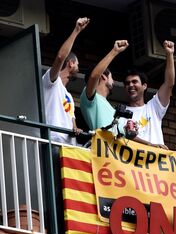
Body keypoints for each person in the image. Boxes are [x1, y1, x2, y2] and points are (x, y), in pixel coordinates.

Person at [42, 17, 89, 145]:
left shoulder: (68, 96)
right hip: (53, 141)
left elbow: (72, 120)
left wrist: (75, 128)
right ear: (71, 63)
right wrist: (76, 30)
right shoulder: (51, 81)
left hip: (69, 148)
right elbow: (60, 56)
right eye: (77, 65)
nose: (78, 69)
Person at [123, 40, 175, 149]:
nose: (130, 85)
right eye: (127, 83)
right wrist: (150, 145)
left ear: (144, 86)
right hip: (131, 164)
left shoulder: (153, 107)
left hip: (156, 164)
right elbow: (126, 138)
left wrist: (169, 54)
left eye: (134, 82)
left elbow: (169, 83)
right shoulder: (121, 114)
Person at [80, 40, 129, 131]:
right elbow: (94, 76)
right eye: (111, 77)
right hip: (101, 144)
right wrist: (114, 51)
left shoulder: (112, 110)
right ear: (103, 76)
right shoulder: (91, 98)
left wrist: (150, 143)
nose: (114, 81)